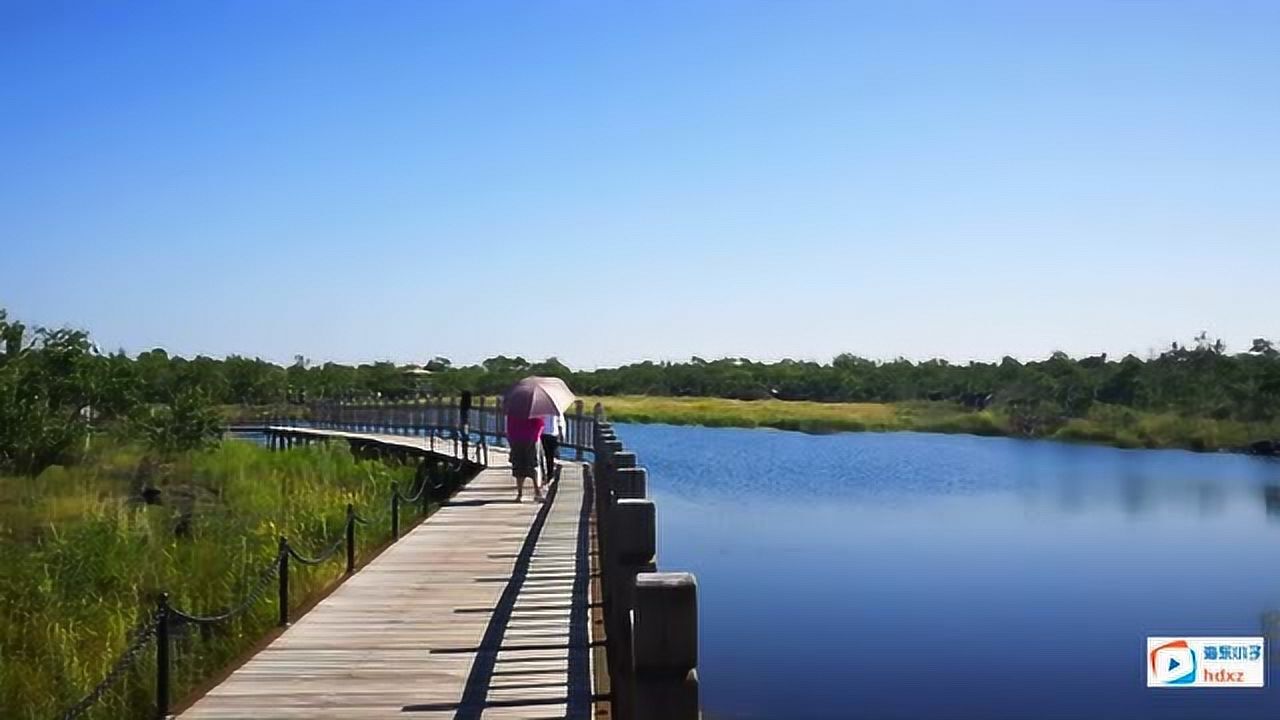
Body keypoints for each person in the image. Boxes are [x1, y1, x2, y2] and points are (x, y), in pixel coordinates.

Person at [505, 412, 545, 502]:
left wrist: (510, 439)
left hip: (518, 439)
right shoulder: (535, 410)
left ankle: (523, 494)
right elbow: (540, 425)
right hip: (528, 440)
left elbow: (509, 426)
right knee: (529, 466)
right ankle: (533, 493)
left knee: (522, 466)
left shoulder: (515, 409)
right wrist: (535, 437)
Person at [540, 410, 564, 489]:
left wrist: (561, 433)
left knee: (551, 455)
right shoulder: (541, 409)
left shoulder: (556, 409)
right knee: (546, 455)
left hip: (554, 434)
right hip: (544, 433)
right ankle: (547, 475)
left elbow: (560, 421)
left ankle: (550, 474)